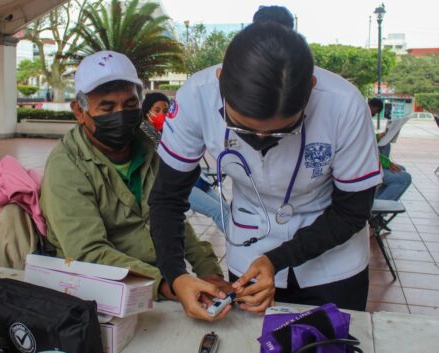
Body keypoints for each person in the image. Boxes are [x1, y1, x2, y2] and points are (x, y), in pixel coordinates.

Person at [149, 23, 382, 321]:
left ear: (310, 89)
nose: (259, 142)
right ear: (221, 81)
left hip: (333, 259)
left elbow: (352, 211)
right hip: (250, 245)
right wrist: (176, 274)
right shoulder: (197, 96)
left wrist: (277, 259)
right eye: (242, 128)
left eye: (281, 132)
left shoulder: (345, 104)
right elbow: (167, 199)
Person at [40, 51, 227, 301]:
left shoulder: (150, 146)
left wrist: (209, 273)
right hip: (100, 292)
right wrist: (168, 284)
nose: (120, 115)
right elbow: (88, 253)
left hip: (158, 282)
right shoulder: (66, 166)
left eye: (130, 105)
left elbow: (172, 218)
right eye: (107, 108)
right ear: (79, 111)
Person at [141, 92, 228, 232]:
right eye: (156, 110)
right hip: (173, 185)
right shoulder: (143, 135)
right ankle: (246, 251)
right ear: (146, 113)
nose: (161, 114)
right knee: (220, 212)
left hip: (194, 179)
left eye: (165, 110)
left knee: (225, 209)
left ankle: (241, 247)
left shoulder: (169, 130)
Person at [368, 98, 412, 201]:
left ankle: (377, 203)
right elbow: (365, 152)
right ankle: (378, 209)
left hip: (369, 162)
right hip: (365, 166)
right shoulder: (360, 120)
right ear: (372, 107)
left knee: (401, 169)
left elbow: (366, 140)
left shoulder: (359, 119)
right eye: (374, 113)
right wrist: (387, 163)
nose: (373, 115)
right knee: (404, 178)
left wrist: (380, 136)